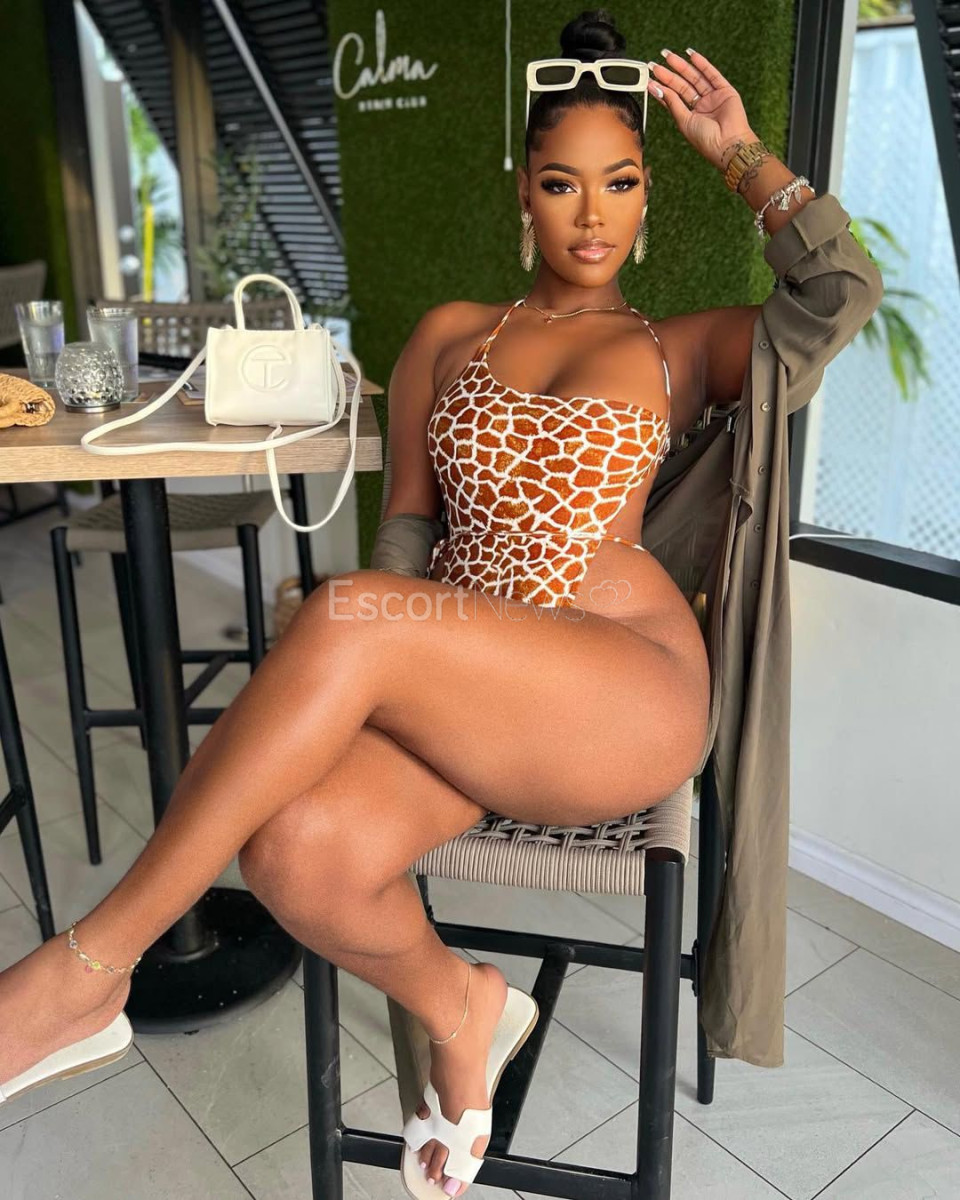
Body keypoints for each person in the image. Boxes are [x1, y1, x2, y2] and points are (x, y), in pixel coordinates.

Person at [0, 8, 869, 1199]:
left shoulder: (686, 349)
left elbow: (840, 290)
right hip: (471, 682)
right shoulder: (448, 338)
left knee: (349, 613)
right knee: (293, 849)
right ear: (524, 191)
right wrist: (347, 686)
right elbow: (407, 534)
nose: (592, 213)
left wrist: (740, 152)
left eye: (620, 182)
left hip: (620, 685)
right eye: (562, 183)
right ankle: (465, 1008)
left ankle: (84, 973)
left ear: (648, 197)